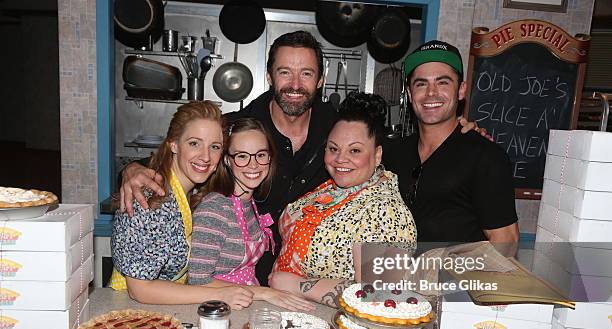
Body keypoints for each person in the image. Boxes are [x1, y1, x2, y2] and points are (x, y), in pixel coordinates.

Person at [118, 31, 485, 285]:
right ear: (269, 77)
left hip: (301, 283)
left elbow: (381, 161)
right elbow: (188, 154)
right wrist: (134, 170)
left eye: (306, 73)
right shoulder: (236, 129)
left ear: (321, 80)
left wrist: (459, 133)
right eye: (285, 72)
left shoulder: (338, 131)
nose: (295, 83)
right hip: (225, 280)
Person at [268, 92, 417, 307]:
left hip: (332, 326)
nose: (340, 159)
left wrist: (299, 285)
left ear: (377, 155)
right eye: (333, 149)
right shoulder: (335, 188)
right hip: (289, 312)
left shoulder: (386, 211)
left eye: (355, 150)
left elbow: (379, 297)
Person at [111, 101, 259, 308]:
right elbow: (139, 289)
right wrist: (222, 295)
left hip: (163, 311)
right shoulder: (151, 200)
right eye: (194, 143)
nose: (206, 156)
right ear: (173, 144)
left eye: (215, 147)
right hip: (130, 312)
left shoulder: (192, 194)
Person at [383, 40, 519, 248]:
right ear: (410, 94)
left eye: (443, 82)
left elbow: (506, 242)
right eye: (421, 84)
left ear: (461, 90)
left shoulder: (485, 157)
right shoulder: (392, 155)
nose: (431, 93)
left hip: (456, 278)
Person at [188, 117, 314, 311]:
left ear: (270, 158)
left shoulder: (251, 204)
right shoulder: (215, 209)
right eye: (242, 156)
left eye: (260, 155)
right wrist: (264, 292)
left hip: (245, 303)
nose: (253, 165)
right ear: (227, 160)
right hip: (219, 309)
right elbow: (197, 281)